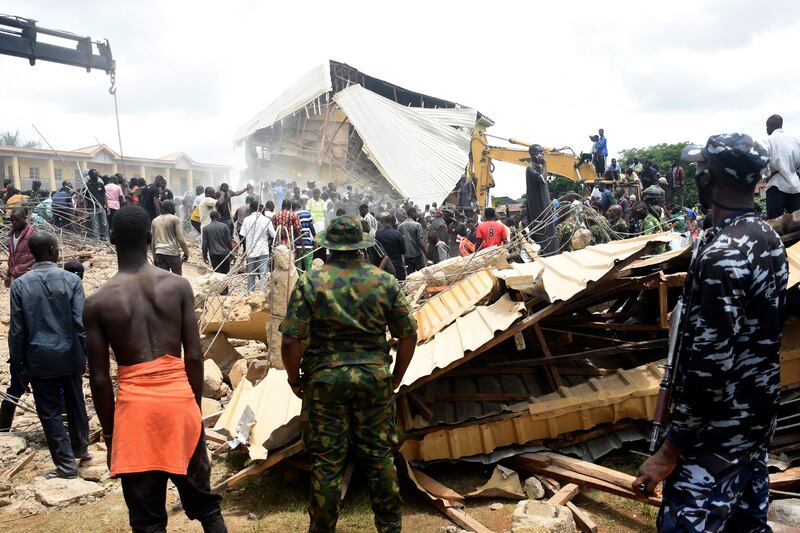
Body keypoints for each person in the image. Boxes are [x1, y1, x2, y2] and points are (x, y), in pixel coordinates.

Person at [633, 133, 784, 532]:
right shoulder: (765, 237)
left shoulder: (723, 257)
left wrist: (669, 451)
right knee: (746, 523)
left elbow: (709, 368)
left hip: (716, 430)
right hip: (755, 418)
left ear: (709, 180)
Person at [84, 205, 227, 533]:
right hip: (179, 404)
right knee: (206, 507)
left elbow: (100, 379)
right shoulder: (177, 286)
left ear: (111, 239)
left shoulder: (97, 303)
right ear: (149, 239)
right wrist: (192, 407)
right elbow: (193, 356)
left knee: (148, 522)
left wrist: (109, 434)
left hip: (135, 416)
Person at [280, 216, 417, 532]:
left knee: (327, 464)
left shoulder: (310, 282)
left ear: (328, 246)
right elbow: (408, 335)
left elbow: (290, 340)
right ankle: (390, 528)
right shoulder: (384, 282)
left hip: (325, 383)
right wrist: (394, 378)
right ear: (360, 247)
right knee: (380, 459)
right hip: (374, 382)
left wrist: (294, 380)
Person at [9, 232, 90, 478]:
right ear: (54, 250)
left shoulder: (20, 285)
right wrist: (85, 355)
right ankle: (81, 448)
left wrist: (18, 366)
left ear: (32, 253)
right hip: (69, 355)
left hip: (38, 359)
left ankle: (66, 465)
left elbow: (17, 330)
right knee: (76, 402)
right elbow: (81, 323)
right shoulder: (72, 281)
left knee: (50, 412)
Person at [763, 114, 800, 219]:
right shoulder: (796, 140)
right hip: (795, 186)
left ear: (770, 125)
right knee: (797, 222)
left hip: (776, 184)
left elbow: (762, 161)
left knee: (774, 223)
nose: (766, 130)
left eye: (767, 127)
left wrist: (767, 174)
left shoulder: (768, 141)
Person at [239, 201, 276, 292]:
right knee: (263, 273)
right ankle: (262, 293)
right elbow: (273, 235)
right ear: (260, 208)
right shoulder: (266, 220)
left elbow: (242, 235)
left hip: (251, 250)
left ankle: (250, 293)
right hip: (263, 250)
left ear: (251, 208)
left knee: (251, 273)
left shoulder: (246, 220)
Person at [150, 200, 190, 276]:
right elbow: (181, 239)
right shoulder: (175, 219)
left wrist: (154, 257)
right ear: (170, 208)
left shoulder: (155, 220)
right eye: (174, 207)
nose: (175, 209)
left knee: (164, 280)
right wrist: (186, 252)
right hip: (172, 253)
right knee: (177, 278)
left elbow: (153, 241)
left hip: (159, 253)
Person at [376, 214, 406, 280]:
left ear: (384, 222)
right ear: (394, 222)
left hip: (383, 266)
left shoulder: (377, 233)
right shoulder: (397, 234)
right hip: (396, 266)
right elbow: (403, 251)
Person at [398, 207, 426, 275]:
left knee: (411, 276)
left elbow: (400, 242)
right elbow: (420, 242)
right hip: (417, 256)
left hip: (407, 257)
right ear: (412, 213)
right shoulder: (417, 225)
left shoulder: (400, 226)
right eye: (415, 213)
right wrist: (426, 253)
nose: (417, 214)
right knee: (422, 275)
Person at [83, 169, 109, 240]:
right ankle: (97, 238)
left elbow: (104, 195)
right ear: (90, 176)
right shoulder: (87, 186)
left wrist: (107, 206)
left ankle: (105, 237)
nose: (97, 177)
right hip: (92, 208)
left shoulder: (100, 184)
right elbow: (85, 198)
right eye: (95, 175)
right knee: (95, 224)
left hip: (101, 207)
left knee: (104, 223)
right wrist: (85, 209)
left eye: (97, 175)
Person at [294, 200, 316, 272]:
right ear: (300, 206)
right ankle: (309, 281)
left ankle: (300, 282)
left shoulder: (293, 215)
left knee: (298, 267)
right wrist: (315, 240)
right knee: (309, 267)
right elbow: (312, 227)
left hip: (297, 245)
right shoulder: (307, 213)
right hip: (308, 244)